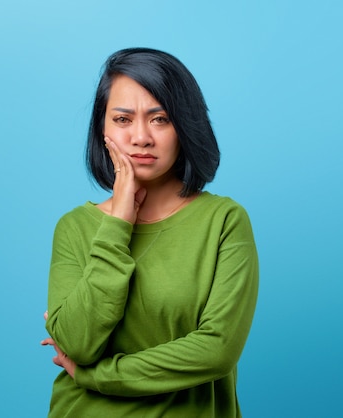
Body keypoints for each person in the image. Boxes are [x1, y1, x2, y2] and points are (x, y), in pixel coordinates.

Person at [41, 47, 259, 417]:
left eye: (160, 119)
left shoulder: (224, 221)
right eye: (123, 120)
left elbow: (216, 351)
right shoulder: (74, 228)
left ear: (185, 126)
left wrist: (99, 376)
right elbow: (78, 344)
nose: (141, 137)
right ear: (102, 129)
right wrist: (118, 223)